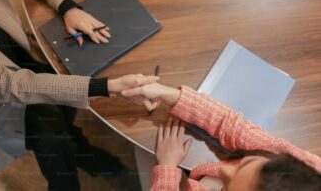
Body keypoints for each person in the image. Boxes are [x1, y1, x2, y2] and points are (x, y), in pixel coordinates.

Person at [0, 0, 158, 191]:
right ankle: (79, 159)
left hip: (26, 61)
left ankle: (81, 150)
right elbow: (16, 85)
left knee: (62, 114)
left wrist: (68, 7)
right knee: (54, 143)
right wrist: (106, 86)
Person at [122, 83, 321, 191]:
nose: (225, 171)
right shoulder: (308, 171)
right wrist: (169, 94)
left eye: (227, 188)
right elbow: (234, 128)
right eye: (245, 163)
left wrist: (167, 167)